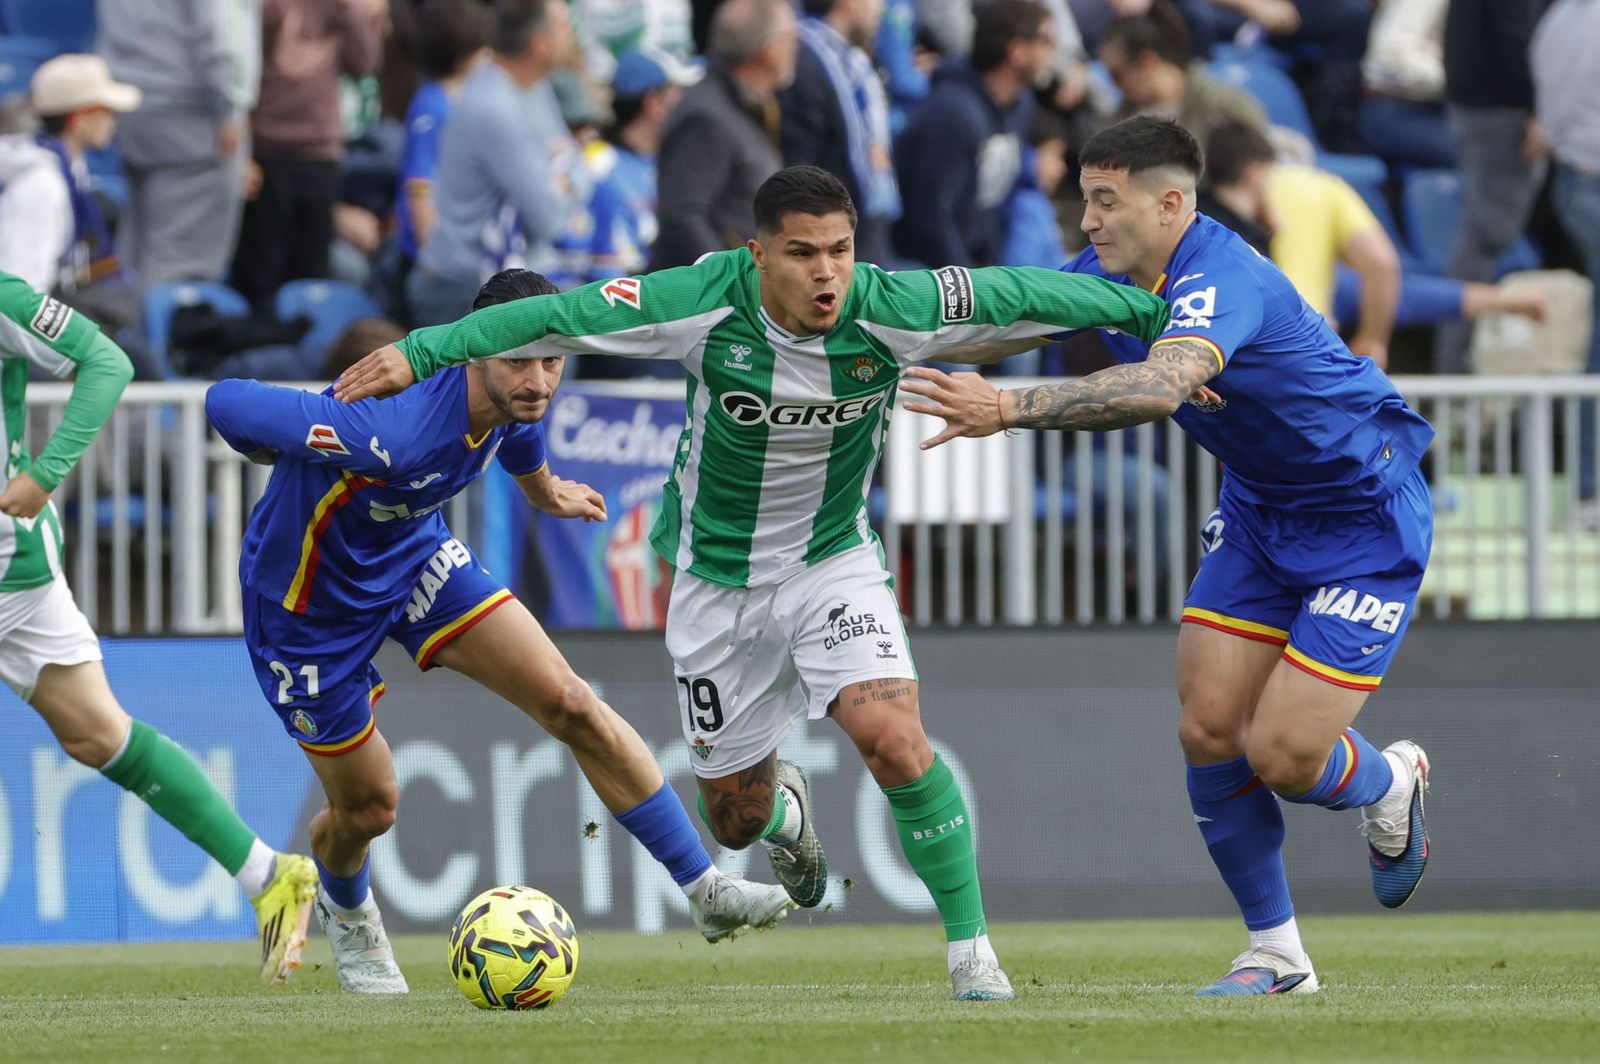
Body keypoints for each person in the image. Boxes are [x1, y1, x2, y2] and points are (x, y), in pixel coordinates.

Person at [333, 164, 1172, 1000]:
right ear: (759, 254)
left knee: (892, 737)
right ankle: (786, 817)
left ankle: (972, 955)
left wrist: (1162, 316)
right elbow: (560, 315)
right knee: (732, 819)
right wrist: (420, 351)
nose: (827, 274)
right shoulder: (700, 302)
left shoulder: (891, 307)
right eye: (803, 254)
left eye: (840, 251)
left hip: (832, 561)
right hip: (715, 583)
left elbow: (1026, 293)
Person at [898, 118, 1435, 996]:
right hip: (1261, 514)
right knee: (1207, 727)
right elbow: (1001, 318)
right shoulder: (1110, 278)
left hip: (1363, 519)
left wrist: (1009, 409)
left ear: (1173, 203)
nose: (1088, 222)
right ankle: (1278, 956)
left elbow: (1158, 386)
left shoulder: (1222, 278)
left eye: (1107, 202)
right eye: (1084, 200)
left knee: (1285, 757)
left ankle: (1389, 782)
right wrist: (870, 342)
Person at [204, 268, 793, 995]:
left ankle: (707, 890)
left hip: (415, 561)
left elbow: (519, 434)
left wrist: (544, 491)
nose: (539, 380)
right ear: (476, 352)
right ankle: (349, 913)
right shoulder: (389, 431)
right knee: (369, 807)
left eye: (552, 361)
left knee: (572, 701)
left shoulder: (517, 400)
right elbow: (222, 399)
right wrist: (278, 446)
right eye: (519, 360)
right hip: (306, 609)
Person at [0, 268, 317, 985]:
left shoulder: (3, 298)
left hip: (9, 565)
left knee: (99, 733)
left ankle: (270, 874)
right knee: (94, 735)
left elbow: (107, 361)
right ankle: (268, 871)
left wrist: (47, 471)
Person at [407, 0, 590, 326]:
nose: (571, 35)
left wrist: (561, 181)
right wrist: (559, 177)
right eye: (563, 26)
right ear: (538, 45)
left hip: (510, 279)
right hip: (464, 291)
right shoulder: (493, 106)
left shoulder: (535, 87)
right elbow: (548, 216)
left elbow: (580, 170)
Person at [99, 0, 260, 292]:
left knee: (137, 252)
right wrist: (231, 106)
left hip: (130, 104)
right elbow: (223, 36)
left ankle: (124, 330)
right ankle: (154, 336)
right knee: (180, 267)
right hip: (194, 117)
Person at [892, 0, 1054, 268]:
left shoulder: (1019, 104)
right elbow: (932, 218)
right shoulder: (951, 113)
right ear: (1017, 51)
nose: (1053, 51)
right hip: (923, 273)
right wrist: (973, 292)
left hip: (976, 261)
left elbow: (995, 202)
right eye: (1046, 40)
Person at [650, 0, 796, 269]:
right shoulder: (706, 115)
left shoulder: (749, 105)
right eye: (792, 37)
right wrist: (734, 284)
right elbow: (682, 217)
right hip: (709, 302)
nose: (797, 47)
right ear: (769, 51)